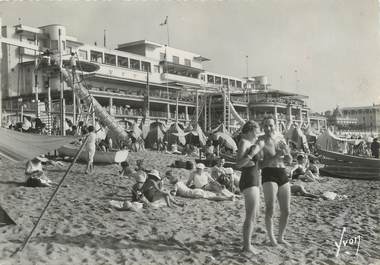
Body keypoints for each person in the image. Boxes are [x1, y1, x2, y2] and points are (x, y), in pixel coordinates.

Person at [260, 117, 292, 247]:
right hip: (269, 173)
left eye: (271, 125)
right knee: (270, 208)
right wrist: (276, 155)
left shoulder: (280, 139)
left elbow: (289, 159)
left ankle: (281, 237)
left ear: (275, 125)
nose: (268, 128)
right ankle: (272, 238)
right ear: (263, 127)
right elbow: (260, 165)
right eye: (266, 126)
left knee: (286, 210)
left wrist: (288, 155)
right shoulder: (260, 141)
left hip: (282, 172)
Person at [236, 120, 265, 253]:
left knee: (254, 214)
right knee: (250, 214)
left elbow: (256, 164)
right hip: (248, 180)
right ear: (251, 130)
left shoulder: (253, 144)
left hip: (255, 179)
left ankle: (248, 242)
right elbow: (239, 164)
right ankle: (247, 246)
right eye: (257, 129)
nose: (259, 132)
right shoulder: (244, 142)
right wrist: (252, 154)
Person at [166, 171, 233, 201]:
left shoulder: (176, 185)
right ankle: (228, 196)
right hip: (196, 190)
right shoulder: (180, 182)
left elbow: (173, 194)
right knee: (213, 195)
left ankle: (228, 198)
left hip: (194, 193)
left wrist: (169, 192)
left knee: (212, 198)